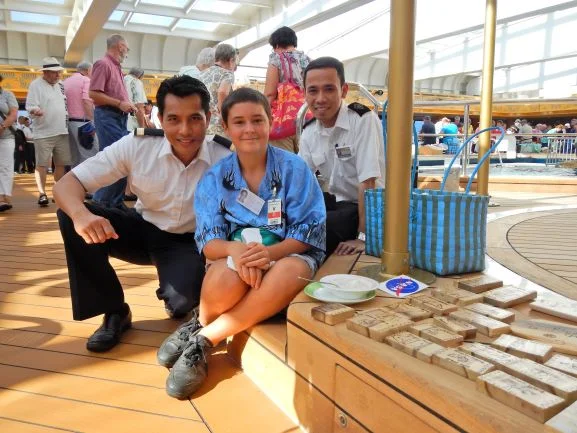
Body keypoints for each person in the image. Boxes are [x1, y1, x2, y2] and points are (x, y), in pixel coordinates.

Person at [157, 87, 326, 399]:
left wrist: (268, 253)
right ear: (225, 126)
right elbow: (209, 241)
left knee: (291, 271)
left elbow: (309, 232)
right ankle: (200, 322)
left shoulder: (294, 169)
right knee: (224, 276)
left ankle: (204, 337)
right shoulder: (215, 178)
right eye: (239, 122)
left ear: (270, 121)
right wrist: (236, 251)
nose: (249, 129)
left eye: (257, 120)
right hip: (235, 255)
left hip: (287, 253)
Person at [53, 76, 231, 353]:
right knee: (69, 215)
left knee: (183, 302)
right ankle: (114, 310)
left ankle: (174, 290)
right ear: (160, 119)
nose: (185, 130)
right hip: (141, 228)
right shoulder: (137, 145)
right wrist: (81, 215)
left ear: (208, 118)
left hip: (188, 240)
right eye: (174, 119)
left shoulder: (225, 157)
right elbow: (66, 185)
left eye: (195, 119)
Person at [298, 57, 385, 257]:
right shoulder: (309, 132)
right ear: (305, 94)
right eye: (313, 91)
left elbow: (368, 182)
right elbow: (300, 181)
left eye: (329, 89)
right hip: (338, 204)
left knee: (322, 228)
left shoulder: (363, 120)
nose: (320, 99)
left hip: (369, 210)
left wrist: (363, 238)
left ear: (343, 91)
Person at [89, 34, 136, 208]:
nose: (127, 52)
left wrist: (126, 104)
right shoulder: (103, 64)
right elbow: (93, 94)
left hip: (116, 117)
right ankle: (102, 202)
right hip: (108, 116)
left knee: (120, 158)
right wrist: (120, 103)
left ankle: (113, 201)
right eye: (127, 48)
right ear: (120, 46)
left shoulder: (115, 67)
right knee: (117, 159)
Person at [25, 57, 70, 207]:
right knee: (41, 164)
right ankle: (42, 193)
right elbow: (30, 105)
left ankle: (57, 192)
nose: (58, 75)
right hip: (43, 132)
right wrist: (35, 110)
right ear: (45, 72)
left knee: (61, 163)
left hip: (62, 131)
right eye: (54, 72)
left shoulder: (61, 85)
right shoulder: (35, 85)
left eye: (59, 72)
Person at [264, 26, 311, 153]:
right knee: (307, 160)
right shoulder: (308, 60)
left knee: (284, 161)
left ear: (276, 45)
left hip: (283, 122)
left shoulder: (276, 59)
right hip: (308, 118)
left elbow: (269, 93)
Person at [64, 61, 99, 167]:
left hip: (68, 124)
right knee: (90, 156)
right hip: (84, 124)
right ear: (88, 70)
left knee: (74, 158)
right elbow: (87, 101)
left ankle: (75, 178)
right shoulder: (86, 80)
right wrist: (92, 120)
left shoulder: (66, 81)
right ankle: (88, 178)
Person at [199, 43, 237, 137]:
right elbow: (222, 92)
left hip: (203, 122)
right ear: (231, 60)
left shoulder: (202, 73)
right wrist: (224, 116)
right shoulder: (227, 74)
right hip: (218, 126)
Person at [0, 74, 18, 212]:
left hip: (6, 136)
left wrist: (2, 127)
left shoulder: (7, 95)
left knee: (5, 167)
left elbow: (13, 114)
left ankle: (4, 196)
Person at [124, 66, 148, 132]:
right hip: (130, 125)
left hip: (118, 122)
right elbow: (139, 107)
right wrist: (142, 129)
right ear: (140, 76)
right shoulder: (136, 81)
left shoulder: (122, 79)